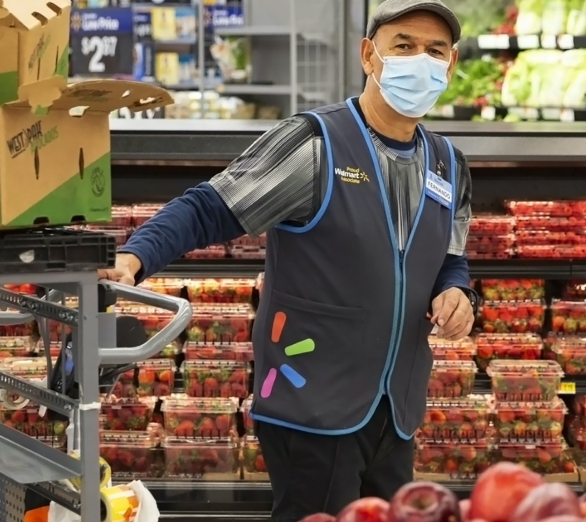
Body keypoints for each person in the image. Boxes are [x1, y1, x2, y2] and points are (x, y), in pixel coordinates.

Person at [100, 0, 476, 518]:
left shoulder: (448, 163)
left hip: (397, 408)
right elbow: (211, 206)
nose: (421, 61)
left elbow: (450, 255)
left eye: (435, 51)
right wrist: (135, 256)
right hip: (312, 403)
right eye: (404, 46)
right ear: (370, 56)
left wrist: (455, 290)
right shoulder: (316, 143)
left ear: (451, 65)